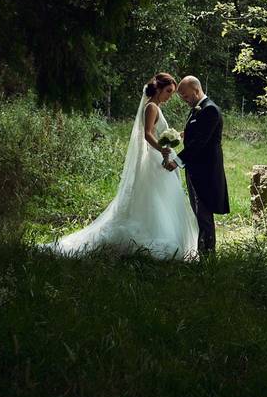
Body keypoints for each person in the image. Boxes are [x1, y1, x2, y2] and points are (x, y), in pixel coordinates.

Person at [42, 73, 198, 259]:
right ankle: (154, 235)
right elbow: (148, 134)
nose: (169, 96)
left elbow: (159, 133)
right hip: (155, 160)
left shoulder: (155, 107)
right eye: (168, 91)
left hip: (159, 159)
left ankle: (162, 232)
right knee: (155, 200)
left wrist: (178, 135)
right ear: (158, 89)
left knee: (159, 200)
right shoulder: (151, 108)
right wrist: (162, 149)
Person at [162, 75, 229, 255]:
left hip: (205, 172)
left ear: (196, 90)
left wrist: (176, 161)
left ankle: (207, 256)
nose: (183, 99)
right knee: (199, 213)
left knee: (203, 214)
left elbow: (200, 143)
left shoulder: (210, 110)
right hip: (196, 169)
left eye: (185, 95)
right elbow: (197, 132)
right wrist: (181, 135)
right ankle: (205, 254)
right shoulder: (198, 109)